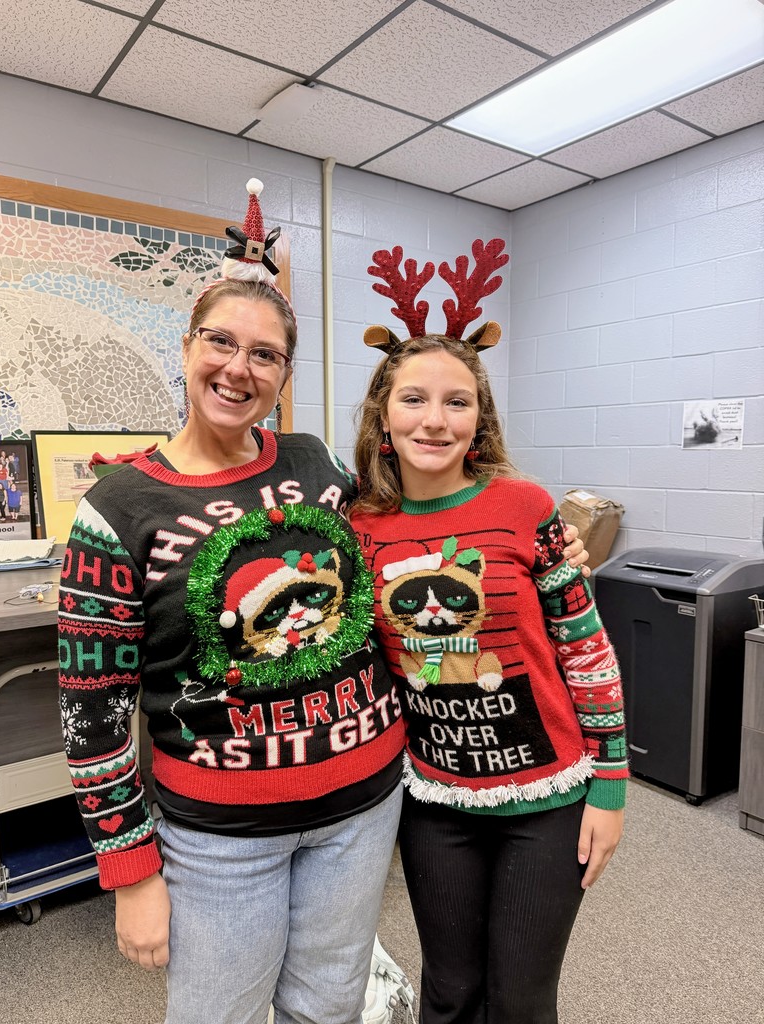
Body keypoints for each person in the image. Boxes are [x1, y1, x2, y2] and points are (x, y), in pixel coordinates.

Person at [58, 184, 588, 1024]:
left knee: (326, 1011)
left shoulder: (313, 464)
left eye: (266, 355)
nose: (240, 367)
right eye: (222, 342)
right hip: (222, 836)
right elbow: (90, 717)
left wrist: (550, 550)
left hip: (363, 809)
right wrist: (129, 869)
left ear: (284, 375)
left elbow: (402, 560)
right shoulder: (118, 507)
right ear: (188, 345)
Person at [350, 239, 628, 1024]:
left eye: (457, 401)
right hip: (435, 799)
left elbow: (586, 648)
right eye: (413, 399)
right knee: (448, 992)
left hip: (548, 799)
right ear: (382, 412)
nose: (434, 420)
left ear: (479, 417)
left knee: (521, 1000)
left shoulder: (526, 508)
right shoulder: (357, 525)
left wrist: (610, 786)